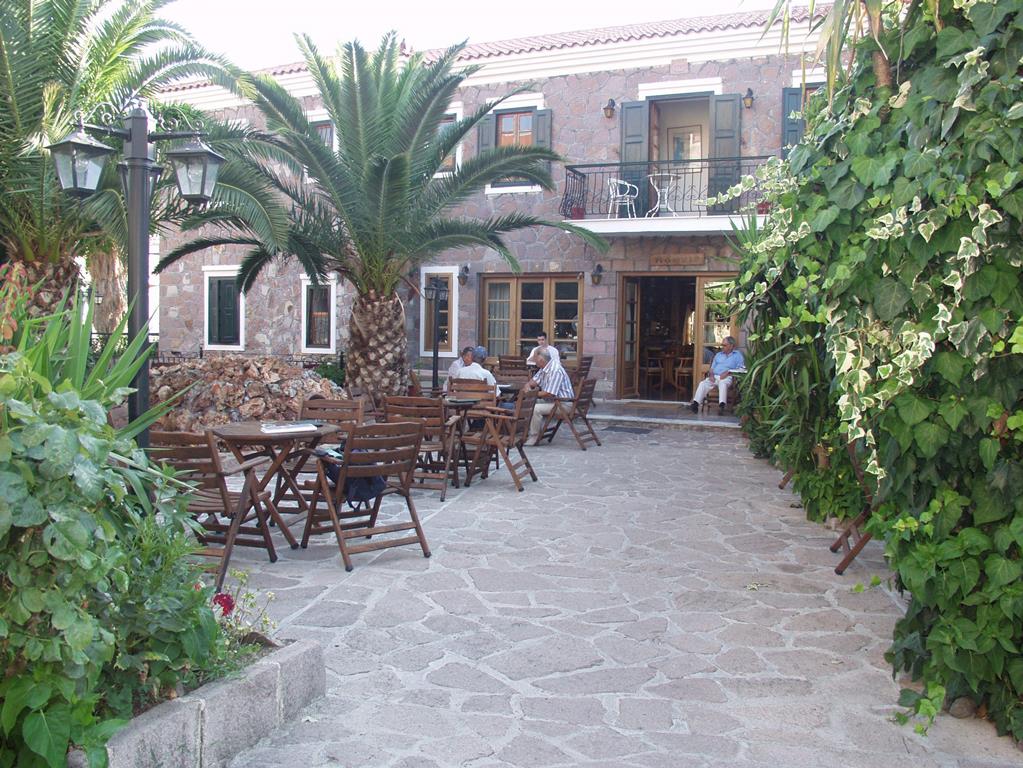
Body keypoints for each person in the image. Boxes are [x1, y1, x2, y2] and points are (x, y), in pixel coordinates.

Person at [526, 348, 574, 444]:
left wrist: (531, 393)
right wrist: (528, 386)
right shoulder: (544, 368)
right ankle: (525, 432)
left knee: (535, 409)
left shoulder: (555, 370)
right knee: (526, 404)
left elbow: (549, 393)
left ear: (540, 359)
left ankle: (534, 437)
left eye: (535, 359)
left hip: (563, 404)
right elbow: (533, 382)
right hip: (553, 401)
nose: (534, 362)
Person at [690, 336, 745, 414]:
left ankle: (722, 406)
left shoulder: (737, 355)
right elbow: (712, 368)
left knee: (723, 383)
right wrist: (711, 375)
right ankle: (695, 404)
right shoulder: (718, 355)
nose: (722, 347)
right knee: (703, 383)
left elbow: (742, 369)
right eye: (722, 345)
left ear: (731, 346)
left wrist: (728, 372)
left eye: (724, 345)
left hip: (728, 377)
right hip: (715, 376)